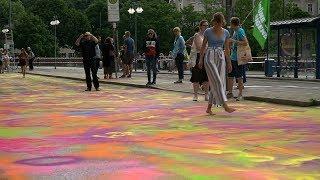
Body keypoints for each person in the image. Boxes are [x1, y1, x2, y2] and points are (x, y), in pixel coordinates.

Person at [199, 12, 236, 115]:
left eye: (219, 23)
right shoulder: (208, 31)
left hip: (220, 57)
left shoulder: (226, 33)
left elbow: (227, 49)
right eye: (216, 23)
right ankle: (225, 105)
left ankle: (209, 108)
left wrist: (229, 63)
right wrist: (200, 59)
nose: (217, 25)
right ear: (214, 21)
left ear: (222, 22)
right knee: (218, 82)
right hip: (209, 56)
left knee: (216, 83)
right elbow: (203, 46)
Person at [227, 17, 248, 101]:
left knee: (239, 76)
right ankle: (230, 93)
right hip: (233, 56)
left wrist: (233, 41)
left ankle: (240, 94)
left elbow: (245, 42)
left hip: (238, 58)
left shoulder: (240, 31)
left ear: (233, 24)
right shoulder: (236, 31)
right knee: (230, 75)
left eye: (231, 23)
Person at [188, 20, 209, 101]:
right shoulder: (197, 35)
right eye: (204, 25)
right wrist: (207, 47)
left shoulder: (208, 35)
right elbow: (199, 47)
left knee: (206, 77)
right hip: (198, 56)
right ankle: (195, 95)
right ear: (200, 26)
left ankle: (206, 94)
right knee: (196, 76)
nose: (206, 27)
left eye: (207, 26)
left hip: (207, 57)